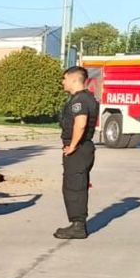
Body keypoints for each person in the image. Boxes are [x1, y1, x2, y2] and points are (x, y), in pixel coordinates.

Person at [57, 66, 99, 239]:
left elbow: (80, 123)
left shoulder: (79, 100)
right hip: (84, 149)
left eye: (65, 78)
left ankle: (77, 226)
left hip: (79, 149)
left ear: (74, 79)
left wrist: (73, 146)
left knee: (74, 188)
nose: (63, 82)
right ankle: (77, 223)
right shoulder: (86, 97)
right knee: (77, 186)